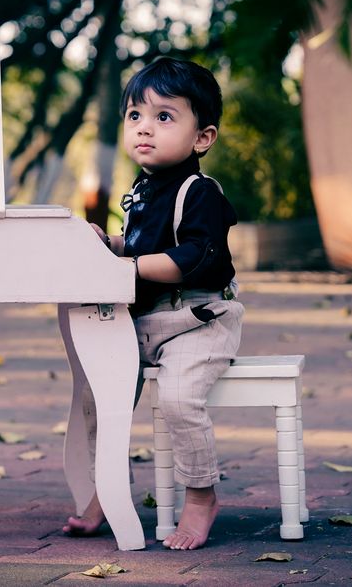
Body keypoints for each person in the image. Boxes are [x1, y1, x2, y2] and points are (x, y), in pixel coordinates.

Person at [64, 57, 244, 550]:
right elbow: (143, 245)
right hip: (146, 320)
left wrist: (132, 266)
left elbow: (199, 255)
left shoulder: (200, 191)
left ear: (202, 137)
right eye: (135, 116)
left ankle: (202, 495)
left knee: (180, 399)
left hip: (199, 319)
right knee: (99, 396)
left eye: (164, 117)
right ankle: (108, 490)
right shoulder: (143, 190)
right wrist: (116, 245)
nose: (145, 128)